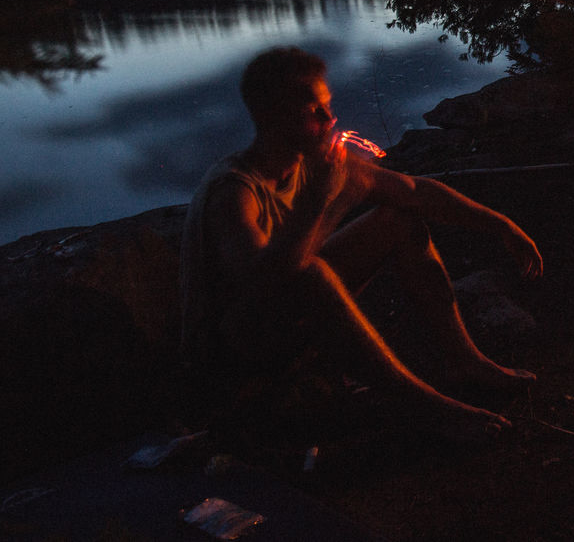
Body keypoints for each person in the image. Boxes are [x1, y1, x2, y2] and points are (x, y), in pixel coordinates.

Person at [180, 46, 543, 440]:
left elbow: (414, 191)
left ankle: (466, 362)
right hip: (230, 356)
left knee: (397, 219)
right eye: (313, 110)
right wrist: (320, 198)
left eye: (327, 105)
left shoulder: (314, 162)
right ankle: (426, 406)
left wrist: (502, 225)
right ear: (272, 118)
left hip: (287, 321)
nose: (329, 118)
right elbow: (266, 281)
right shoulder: (234, 192)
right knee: (311, 272)